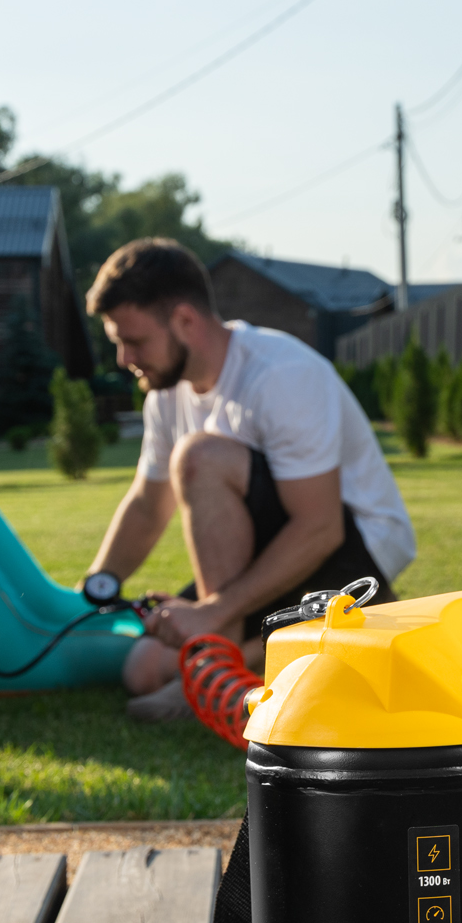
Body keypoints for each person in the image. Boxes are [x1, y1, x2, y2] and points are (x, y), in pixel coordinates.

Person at [82, 239, 414, 721]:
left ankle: (225, 668)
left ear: (185, 320)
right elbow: (148, 507)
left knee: (200, 457)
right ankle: (270, 657)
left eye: (133, 341)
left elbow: (320, 528)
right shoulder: (165, 396)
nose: (122, 357)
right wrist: (96, 587)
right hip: (274, 551)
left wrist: (213, 612)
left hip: (353, 549)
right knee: (144, 669)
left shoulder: (280, 374)